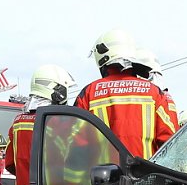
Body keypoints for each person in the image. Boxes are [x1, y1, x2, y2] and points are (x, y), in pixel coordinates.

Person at [74, 29, 178, 160]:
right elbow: (171, 144)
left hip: (102, 179)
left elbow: (76, 145)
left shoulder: (88, 93)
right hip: (146, 178)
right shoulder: (155, 93)